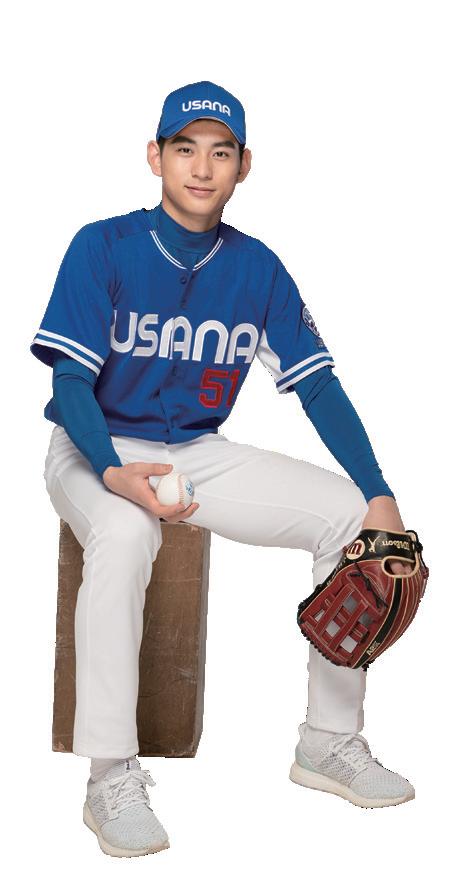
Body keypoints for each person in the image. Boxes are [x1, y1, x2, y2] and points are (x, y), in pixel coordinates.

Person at [30, 80, 416, 858]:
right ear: (155, 157)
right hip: (93, 445)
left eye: (219, 151)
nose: (201, 167)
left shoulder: (257, 269)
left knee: (350, 519)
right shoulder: (101, 245)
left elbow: (316, 386)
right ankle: (110, 776)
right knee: (126, 533)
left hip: (195, 453)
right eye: (184, 149)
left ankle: (327, 741)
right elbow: (70, 382)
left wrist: (378, 493)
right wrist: (108, 470)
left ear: (244, 165)